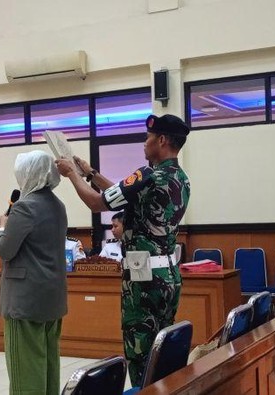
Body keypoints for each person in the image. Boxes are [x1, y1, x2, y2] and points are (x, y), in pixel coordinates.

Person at [56, 113, 191, 386]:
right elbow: (118, 195)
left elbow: (97, 203)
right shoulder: (180, 177)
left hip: (143, 283)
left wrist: (71, 173)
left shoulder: (147, 174)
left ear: (161, 140)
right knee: (163, 351)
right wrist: (90, 173)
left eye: (148, 138)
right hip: (168, 277)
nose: (144, 143)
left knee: (141, 356)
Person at [0, 150, 68, 395]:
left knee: (24, 370)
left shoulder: (25, 206)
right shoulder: (57, 205)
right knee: (47, 361)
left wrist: (1, 229)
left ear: (28, 173)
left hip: (24, 299)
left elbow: (5, 250)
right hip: (51, 295)